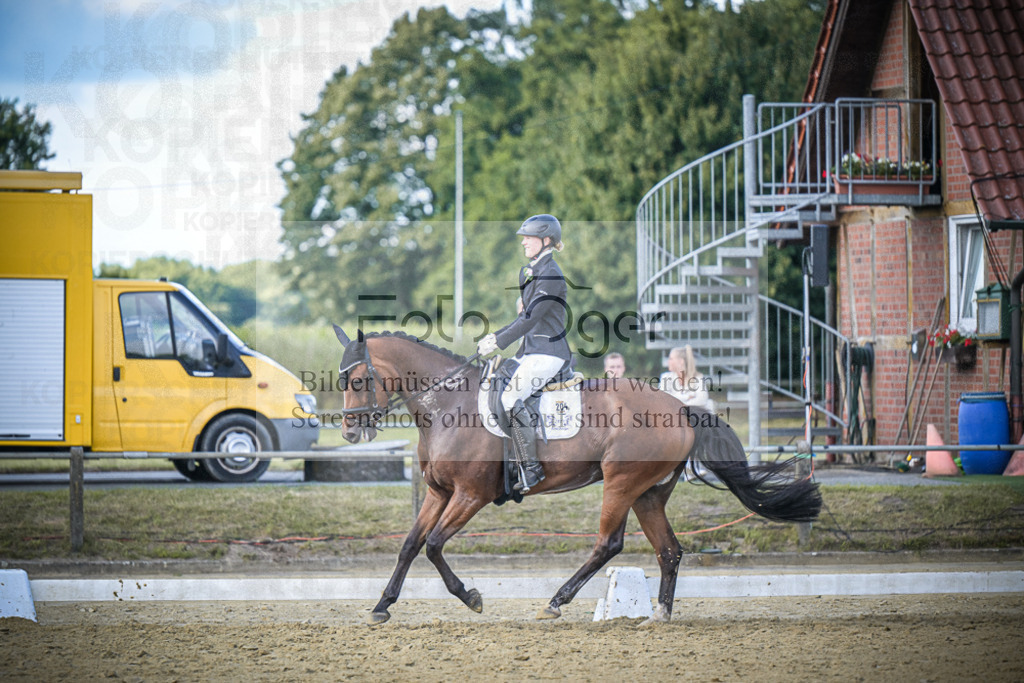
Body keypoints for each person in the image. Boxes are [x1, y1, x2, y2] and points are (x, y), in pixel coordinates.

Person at [477, 214, 571, 493]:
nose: (524, 243)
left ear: (546, 241)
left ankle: (530, 468)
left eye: (528, 238)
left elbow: (530, 318)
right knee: (491, 386)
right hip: (529, 350)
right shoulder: (529, 271)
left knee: (510, 396)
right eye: (523, 238)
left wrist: (498, 339)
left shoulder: (551, 274)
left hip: (548, 351)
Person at [659, 345, 713, 411]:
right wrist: (687, 397)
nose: (668, 362)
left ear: (681, 361)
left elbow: (702, 399)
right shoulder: (666, 377)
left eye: (671, 359)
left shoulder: (698, 378)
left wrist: (683, 405)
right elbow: (664, 398)